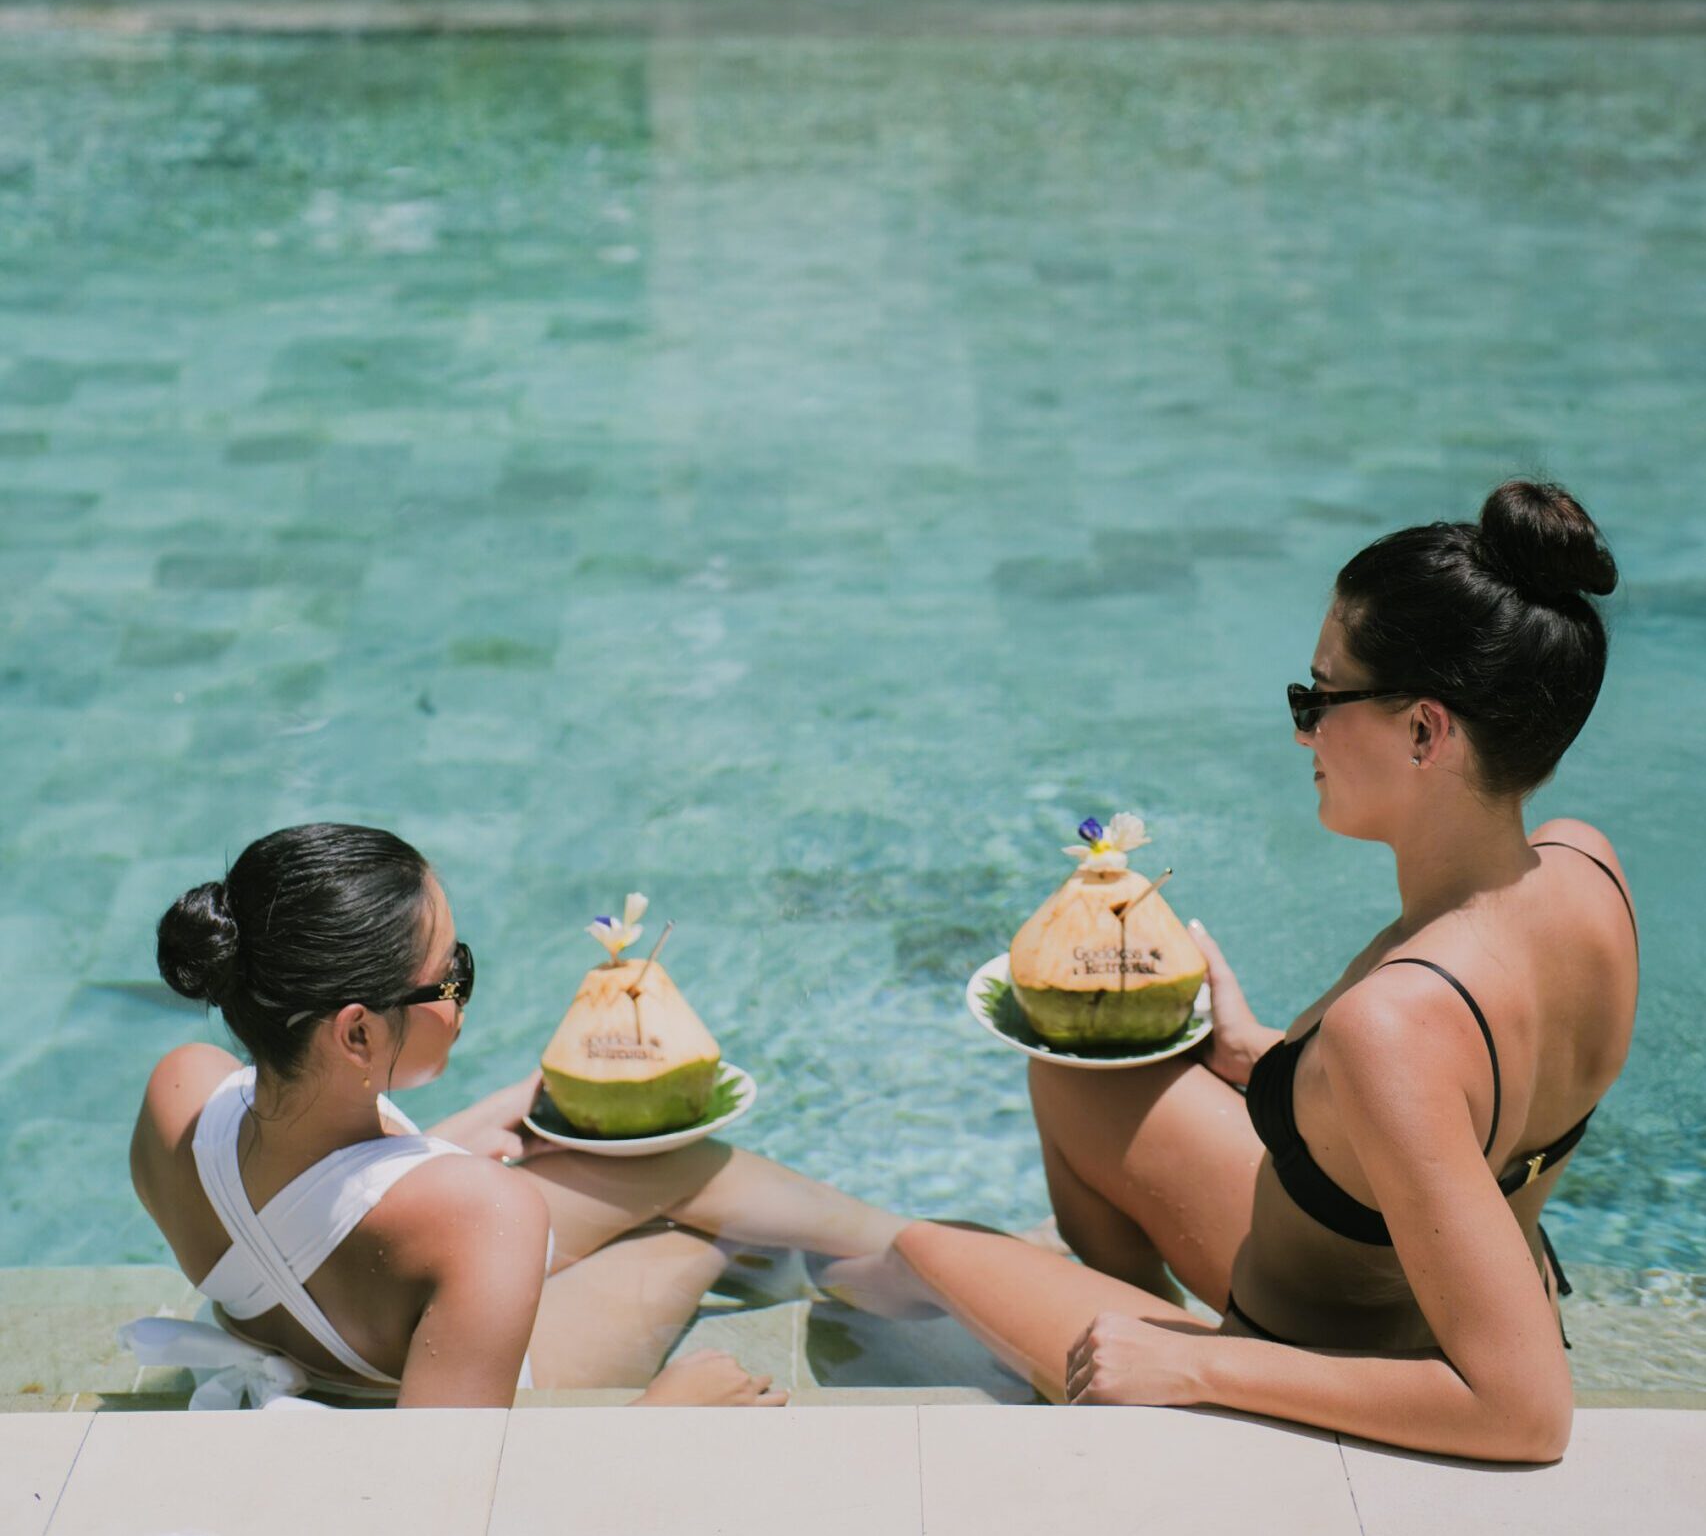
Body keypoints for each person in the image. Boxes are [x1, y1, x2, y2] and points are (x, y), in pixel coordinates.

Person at [881, 479, 1635, 1462]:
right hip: (1391, 1266)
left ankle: (1156, 1398)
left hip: (1331, 1352)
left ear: (1422, 729)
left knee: (907, 1252)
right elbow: (1451, 1116)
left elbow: (1525, 1411)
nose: (1299, 730)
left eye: (1317, 697)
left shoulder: (1394, 1024)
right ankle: (1127, 1339)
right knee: (1071, 1067)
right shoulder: (1583, 870)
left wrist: (1193, 1368)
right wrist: (1266, 1058)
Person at [128, 822, 910, 1408]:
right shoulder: (480, 1212)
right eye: (451, 974)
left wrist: (477, 1126)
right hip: (405, 1378)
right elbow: (456, 1500)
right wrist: (663, 1421)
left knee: (656, 1159)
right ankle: (907, 1266)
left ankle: (892, 1250)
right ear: (358, 1030)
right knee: (687, 1234)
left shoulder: (180, 1087)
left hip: (317, 1317)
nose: (462, 993)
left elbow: (318, 1203)